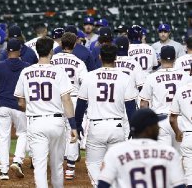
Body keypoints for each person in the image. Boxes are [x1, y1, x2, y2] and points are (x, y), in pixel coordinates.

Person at [14, 36, 78, 188]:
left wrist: (34, 106)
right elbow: (67, 100)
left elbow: (21, 102)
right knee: (56, 166)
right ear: (51, 51)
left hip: (36, 122)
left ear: (37, 51)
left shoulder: (26, 72)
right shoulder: (59, 71)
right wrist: (73, 126)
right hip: (56, 122)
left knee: (40, 167)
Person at [75, 44, 137, 187]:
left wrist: (77, 125)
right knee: (118, 167)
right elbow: (131, 109)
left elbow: (80, 105)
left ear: (100, 57)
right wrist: (133, 129)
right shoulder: (125, 77)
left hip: (96, 127)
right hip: (117, 127)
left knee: (93, 163)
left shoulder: (90, 77)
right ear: (115, 58)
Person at [98, 108, 185, 188]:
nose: (158, 127)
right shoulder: (170, 153)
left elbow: (103, 185)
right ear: (148, 130)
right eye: (156, 125)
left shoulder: (115, 152)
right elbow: (179, 186)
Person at [139, 46, 192, 150]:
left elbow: (143, 104)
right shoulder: (186, 76)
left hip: (161, 121)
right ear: (175, 59)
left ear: (160, 59)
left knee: (163, 158)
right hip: (180, 121)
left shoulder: (151, 77)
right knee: (181, 158)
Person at [51, 32, 88, 180]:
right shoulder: (79, 63)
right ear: (74, 45)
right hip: (72, 98)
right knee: (72, 132)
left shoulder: (52, 60)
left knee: (56, 132)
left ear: (61, 44)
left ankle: (57, 165)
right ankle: (70, 169)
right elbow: (85, 83)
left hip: (54, 99)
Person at [0, 39, 29, 180]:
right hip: (19, 106)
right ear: (19, 50)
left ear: (7, 51)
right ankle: (17, 161)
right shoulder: (26, 67)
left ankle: (3, 171)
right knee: (23, 133)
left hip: (2, 105)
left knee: (3, 138)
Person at [170, 82, 192, 187]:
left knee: (190, 177)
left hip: (188, 136)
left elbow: (172, 118)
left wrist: (177, 132)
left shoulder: (181, 90)